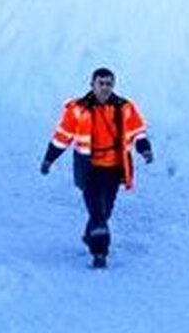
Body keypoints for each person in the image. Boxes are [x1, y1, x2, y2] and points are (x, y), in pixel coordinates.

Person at [40, 67, 154, 268]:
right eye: (101, 83)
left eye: (109, 83)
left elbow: (138, 132)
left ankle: (89, 235)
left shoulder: (125, 107)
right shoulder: (77, 109)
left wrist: (145, 150)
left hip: (114, 170)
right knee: (98, 213)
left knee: (105, 211)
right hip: (90, 170)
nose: (105, 87)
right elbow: (62, 137)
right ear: (92, 84)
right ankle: (100, 253)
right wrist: (49, 159)